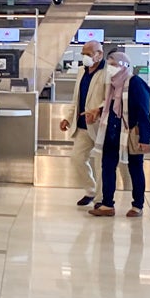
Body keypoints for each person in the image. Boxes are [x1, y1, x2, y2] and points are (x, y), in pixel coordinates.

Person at [90, 50, 150, 219]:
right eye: (109, 65)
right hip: (111, 134)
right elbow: (109, 106)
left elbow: (144, 112)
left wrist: (145, 138)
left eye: (113, 65)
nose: (110, 68)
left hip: (130, 134)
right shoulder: (111, 85)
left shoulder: (135, 83)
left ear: (124, 65)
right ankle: (107, 204)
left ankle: (138, 205)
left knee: (135, 169)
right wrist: (98, 110)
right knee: (107, 168)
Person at [59, 40, 107, 207]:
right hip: (82, 125)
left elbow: (110, 98)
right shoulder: (82, 72)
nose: (85, 57)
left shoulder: (108, 72)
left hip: (101, 125)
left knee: (102, 164)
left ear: (99, 54)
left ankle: (102, 199)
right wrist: (68, 117)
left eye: (89, 53)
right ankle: (91, 190)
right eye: (83, 53)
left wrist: (98, 110)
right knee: (77, 158)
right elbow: (76, 99)